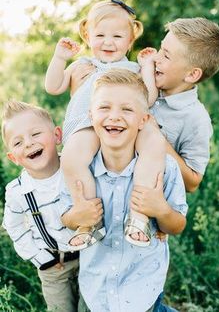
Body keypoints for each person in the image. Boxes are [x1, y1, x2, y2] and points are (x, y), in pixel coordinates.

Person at [58, 69, 188, 312]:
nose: (114, 117)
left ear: (143, 120)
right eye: (104, 108)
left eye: (127, 110)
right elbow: (64, 216)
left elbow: (177, 225)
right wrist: (77, 217)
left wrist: (160, 209)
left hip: (142, 289)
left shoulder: (163, 167)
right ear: (91, 115)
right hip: (95, 289)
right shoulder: (78, 168)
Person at [45, 0, 165, 249]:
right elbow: (53, 87)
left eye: (118, 37)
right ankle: (89, 218)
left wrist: (146, 67)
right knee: (71, 158)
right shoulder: (82, 65)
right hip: (86, 125)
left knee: (153, 140)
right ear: (87, 35)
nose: (108, 42)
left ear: (130, 40)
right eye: (100, 34)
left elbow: (149, 98)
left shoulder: (131, 69)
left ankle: (140, 214)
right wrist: (60, 58)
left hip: (126, 126)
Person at [1, 100, 101, 312]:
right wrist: (41, 258)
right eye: (18, 143)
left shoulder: (79, 168)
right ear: (13, 158)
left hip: (90, 255)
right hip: (54, 267)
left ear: (57, 136)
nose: (28, 143)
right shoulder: (18, 191)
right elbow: (14, 226)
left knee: (92, 306)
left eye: (35, 134)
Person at [138, 17, 219, 193]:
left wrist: (156, 138)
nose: (157, 57)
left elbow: (192, 183)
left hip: (145, 205)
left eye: (166, 55)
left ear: (192, 74)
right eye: (160, 48)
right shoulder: (140, 79)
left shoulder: (196, 119)